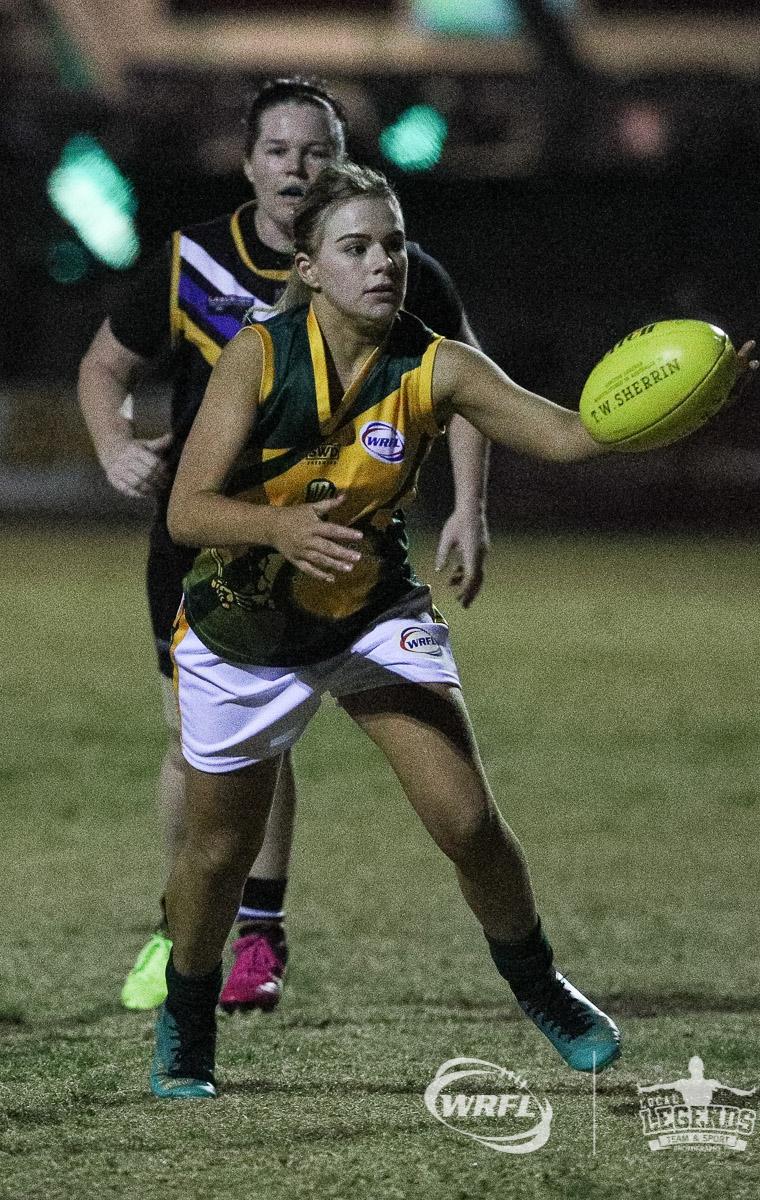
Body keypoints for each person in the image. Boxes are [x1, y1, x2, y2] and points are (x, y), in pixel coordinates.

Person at [150, 161, 757, 1097]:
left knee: (468, 819)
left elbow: (566, 434)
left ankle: (541, 986)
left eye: (392, 243)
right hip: (244, 629)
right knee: (218, 853)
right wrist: (276, 526)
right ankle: (185, 1027)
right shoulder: (258, 357)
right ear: (309, 268)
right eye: (355, 247)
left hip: (370, 612)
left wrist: (678, 404)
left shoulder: (437, 364)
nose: (382, 262)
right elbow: (187, 511)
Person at [78, 77, 490, 1014]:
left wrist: (469, 506)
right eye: (279, 151)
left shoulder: (392, 262)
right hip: (209, 543)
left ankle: (257, 935)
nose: (297, 168)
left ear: (338, 159)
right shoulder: (192, 264)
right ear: (248, 164)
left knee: (276, 740)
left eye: (316, 150)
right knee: (202, 745)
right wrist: (112, 443)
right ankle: (182, 922)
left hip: (342, 550)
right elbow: (105, 363)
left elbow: (470, 382)